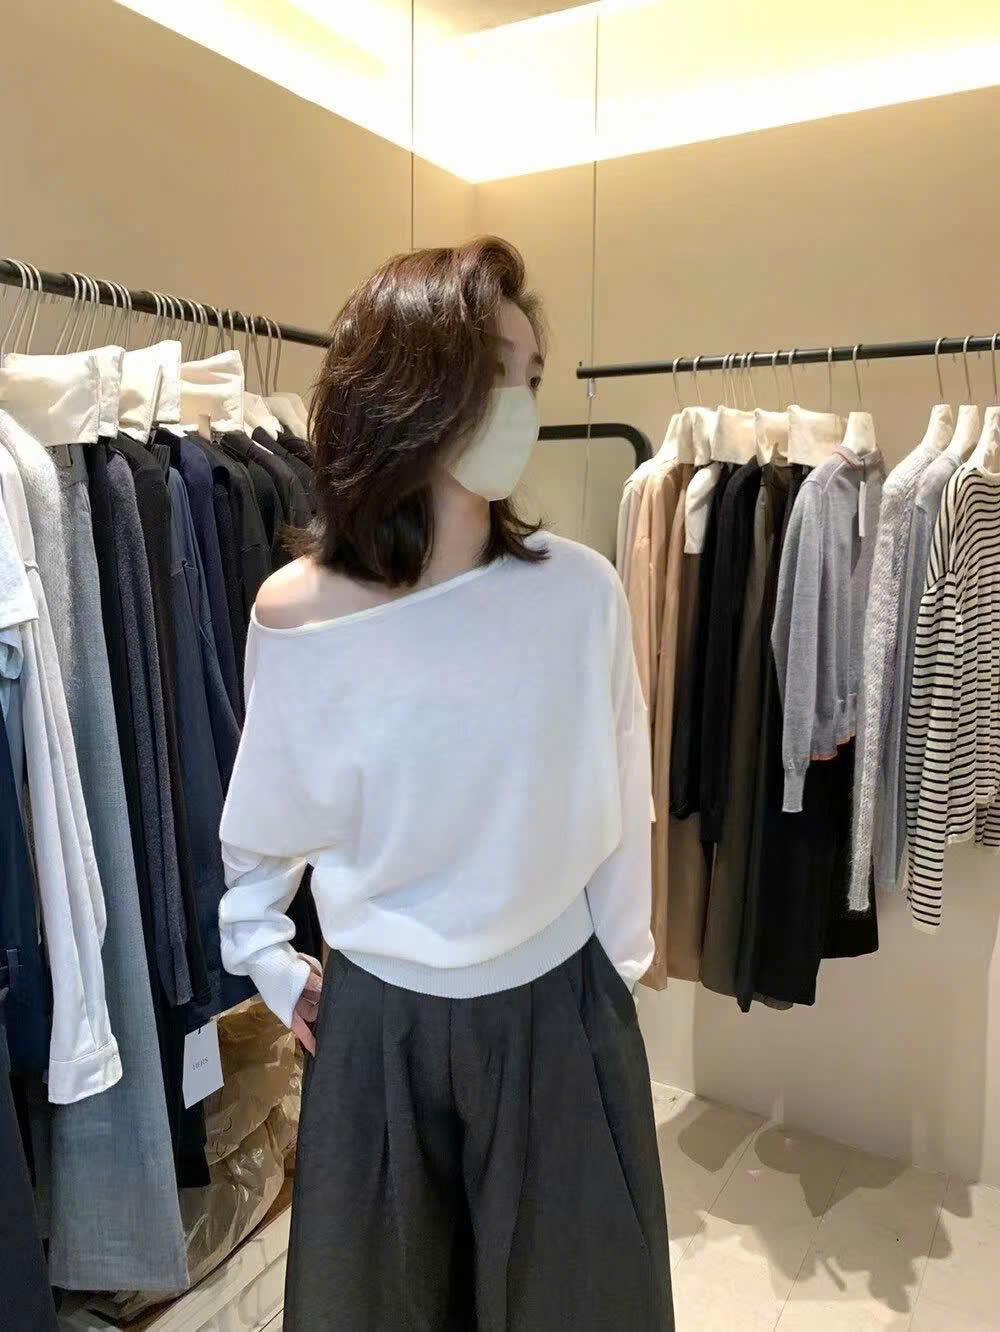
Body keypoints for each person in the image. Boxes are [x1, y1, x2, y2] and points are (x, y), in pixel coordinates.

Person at [217, 236, 673, 1330]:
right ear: (409, 391)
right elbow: (264, 824)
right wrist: (270, 960)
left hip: (555, 1004)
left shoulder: (579, 594)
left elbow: (624, 800)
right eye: (492, 375)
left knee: (573, 1304)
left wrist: (611, 987)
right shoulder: (297, 612)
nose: (520, 405)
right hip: (377, 1023)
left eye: (531, 378)